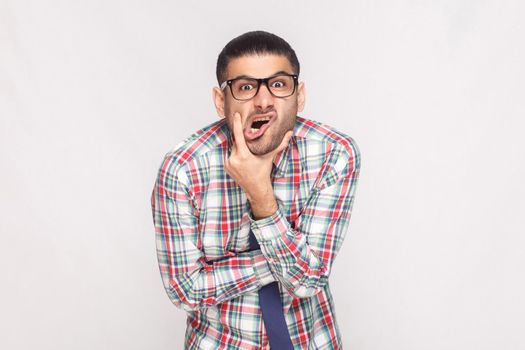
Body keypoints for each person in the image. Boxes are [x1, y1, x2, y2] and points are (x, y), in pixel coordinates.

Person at [151, 30, 361, 349]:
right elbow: (186, 290)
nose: (264, 101)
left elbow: (306, 282)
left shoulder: (334, 154)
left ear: (299, 95)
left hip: (311, 341)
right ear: (221, 101)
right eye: (246, 87)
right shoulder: (183, 169)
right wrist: (289, 261)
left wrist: (260, 195)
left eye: (278, 84)